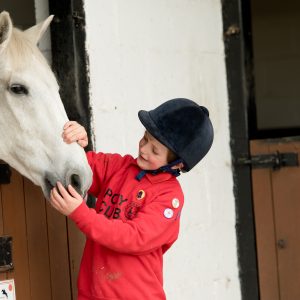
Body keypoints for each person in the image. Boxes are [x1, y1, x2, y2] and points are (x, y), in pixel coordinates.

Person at [49, 98, 214, 300]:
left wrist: (80, 213)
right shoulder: (119, 166)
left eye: (155, 150)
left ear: (177, 165)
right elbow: (80, 166)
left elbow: (133, 238)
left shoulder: (169, 197)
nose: (143, 149)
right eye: (145, 139)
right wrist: (76, 141)